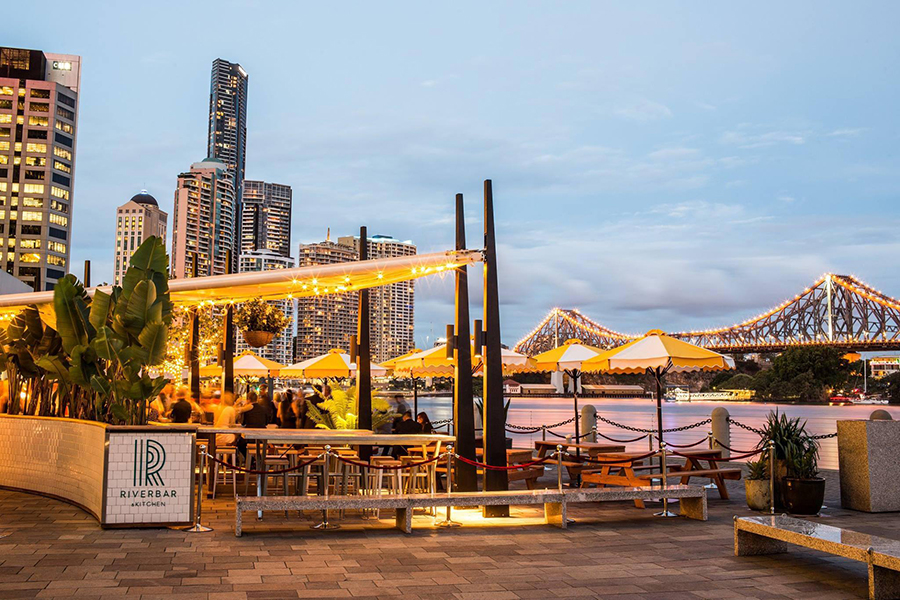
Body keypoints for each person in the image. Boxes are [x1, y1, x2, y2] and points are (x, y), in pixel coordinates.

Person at [236, 390, 268, 458]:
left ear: (248, 399)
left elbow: (243, 423)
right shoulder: (263, 409)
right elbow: (266, 422)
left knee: (239, 443)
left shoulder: (247, 409)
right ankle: (257, 460)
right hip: (262, 438)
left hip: (250, 437)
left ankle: (250, 460)